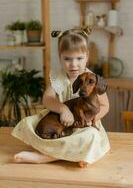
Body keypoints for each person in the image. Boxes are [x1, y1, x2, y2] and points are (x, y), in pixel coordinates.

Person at [12, 28, 110, 168]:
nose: (73, 64)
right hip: (59, 120)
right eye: (67, 59)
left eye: (79, 58)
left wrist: (92, 120)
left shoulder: (92, 79)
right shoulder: (58, 77)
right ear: (60, 57)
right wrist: (63, 109)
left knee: (90, 136)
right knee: (29, 123)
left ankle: (46, 157)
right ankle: (76, 154)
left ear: (87, 56)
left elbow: (105, 105)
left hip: (84, 123)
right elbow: (47, 99)